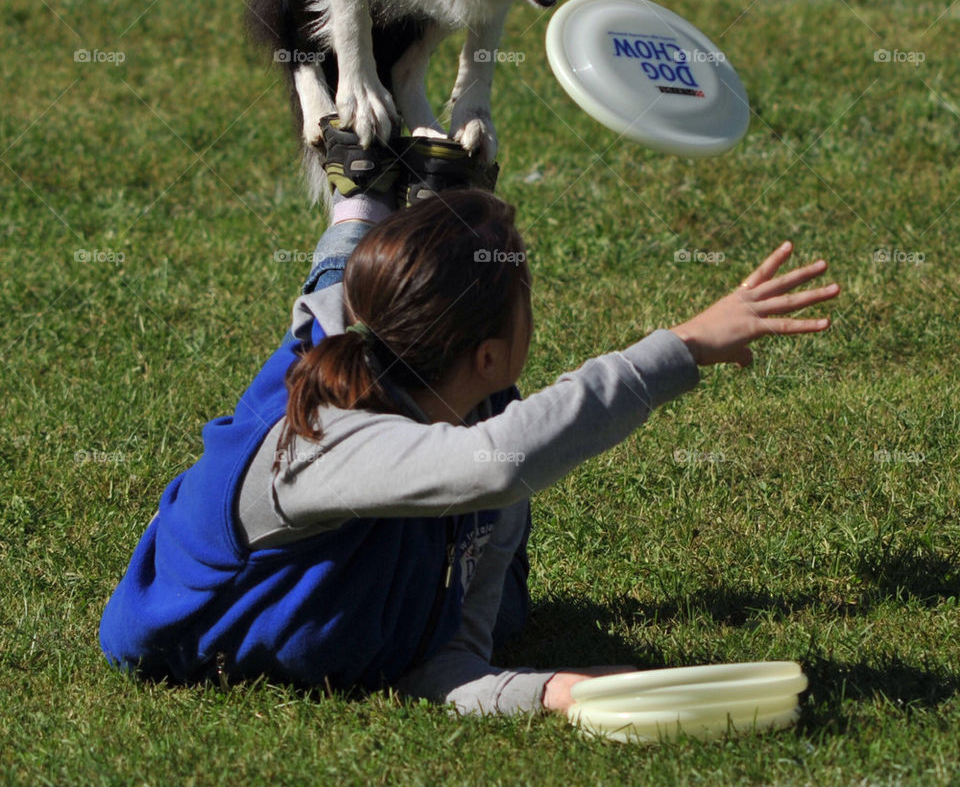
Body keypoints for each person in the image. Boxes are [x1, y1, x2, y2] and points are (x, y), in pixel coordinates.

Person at [99, 124, 840, 715]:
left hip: (402, 461)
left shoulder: (484, 424)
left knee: (367, 301)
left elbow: (447, 659)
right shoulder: (320, 444)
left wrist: (552, 692)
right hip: (200, 624)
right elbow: (502, 460)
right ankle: (364, 207)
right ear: (489, 354)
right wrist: (679, 348)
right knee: (336, 313)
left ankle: (418, 211)